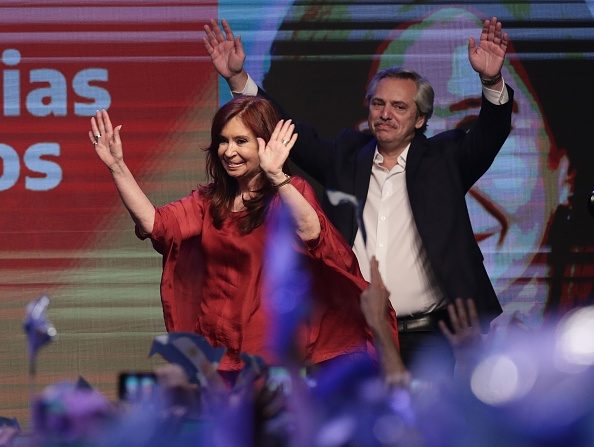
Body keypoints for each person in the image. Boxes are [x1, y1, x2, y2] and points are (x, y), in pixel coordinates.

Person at [204, 17, 513, 371]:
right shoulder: (347, 156)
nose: (385, 115)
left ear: (420, 120)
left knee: (421, 425)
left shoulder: (445, 160)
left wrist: (490, 81)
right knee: (351, 424)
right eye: (378, 104)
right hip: (353, 333)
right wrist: (238, 79)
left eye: (399, 107)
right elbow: (289, 132)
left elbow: (490, 134)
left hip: (427, 337)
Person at [89, 96, 386, 373]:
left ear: (265, 144)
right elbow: (155, 223)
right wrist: (117, 167)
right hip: (215, 354)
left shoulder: (288, 193)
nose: (228, 152)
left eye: (240, 141)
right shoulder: (206, 201)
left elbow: (312, 233)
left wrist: (276, 176)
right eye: (223, 141)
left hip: (268, 357)